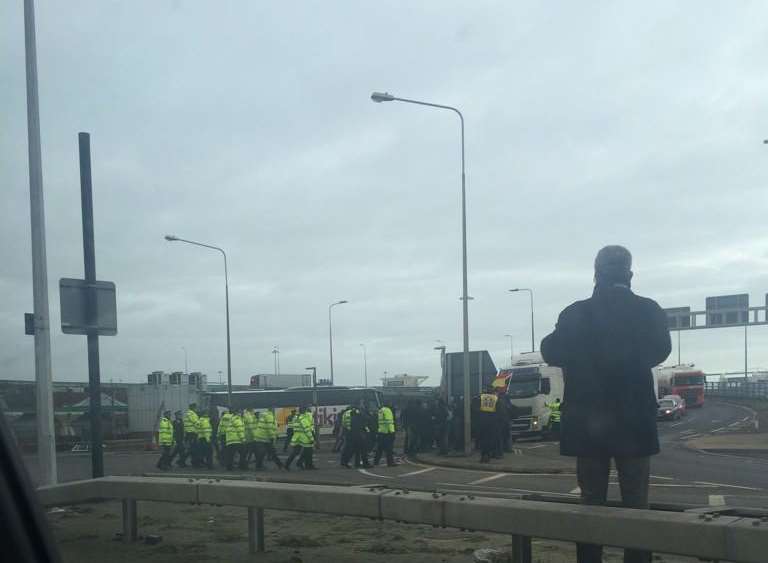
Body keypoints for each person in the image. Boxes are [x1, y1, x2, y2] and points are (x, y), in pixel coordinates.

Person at [540, 245, 671, 563]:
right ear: (629, 274)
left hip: (588, 425)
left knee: (591, 505)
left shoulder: (575, 313)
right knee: (637, 506)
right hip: (634, 422)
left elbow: (550, 352)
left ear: (596, 274)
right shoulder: (648, 310)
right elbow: (660, 351)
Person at [285, 405, 316, 470]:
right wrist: (312, 438)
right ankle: (309, 466)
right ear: (304, 411)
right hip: (304, 437)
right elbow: (307, 429)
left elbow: (292, 426)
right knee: (309, 451)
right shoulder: (303, 419)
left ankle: (287, 464)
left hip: (296, 437)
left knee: (295, 452)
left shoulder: (295, 418)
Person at [477, 389, 499, 463]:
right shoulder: (495, 398)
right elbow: (499, 410)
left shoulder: (481, 397)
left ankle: (483, 456)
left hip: (482, 421)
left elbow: (475, 408)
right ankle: (488, 456)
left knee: (483, 440)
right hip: (492, 422)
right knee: (490, 440)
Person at [373, 402, 396, 467]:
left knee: (379, 448)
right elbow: (388, 421)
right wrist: (392, 432)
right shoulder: (388, 410)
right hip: (387, 432)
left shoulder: (380, 410)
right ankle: (390, 463)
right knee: (389, 449)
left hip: (381, 431)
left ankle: (376, 461)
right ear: (388, 405)